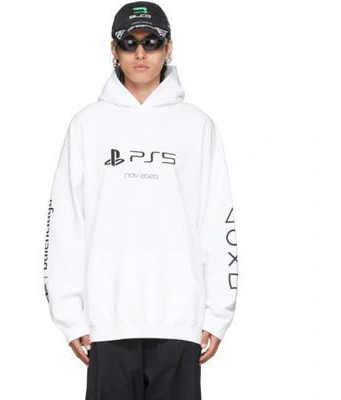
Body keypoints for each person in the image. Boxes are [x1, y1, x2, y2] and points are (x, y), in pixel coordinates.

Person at [43, 1, 239, 399]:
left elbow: (217, 219)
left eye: (151, 42)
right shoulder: (87, 125)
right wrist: (69, 315)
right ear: (113, 49)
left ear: (168, 47)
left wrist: (218, 313)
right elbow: (65, 222)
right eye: (128, 42)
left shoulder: (197, 125)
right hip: (106, 323)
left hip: (179, 321)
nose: (140, 52)